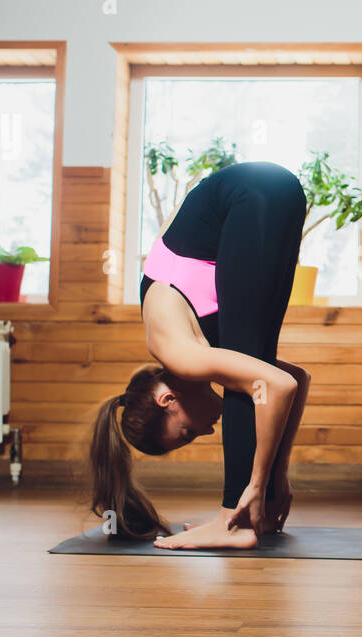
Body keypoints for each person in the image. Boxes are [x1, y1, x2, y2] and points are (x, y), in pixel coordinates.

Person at [87, 161, 311, 550]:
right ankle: (246, 514)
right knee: (250, 371)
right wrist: (276, 479)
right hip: (274, 191)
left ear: (167, 399)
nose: (206, 431)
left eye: (187, 431)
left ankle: (232, 520)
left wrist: (258, 481)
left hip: (247, 195)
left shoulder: (179, 353)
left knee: (249, 383)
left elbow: (276, 385)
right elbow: (295, 379)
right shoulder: (192, 343)